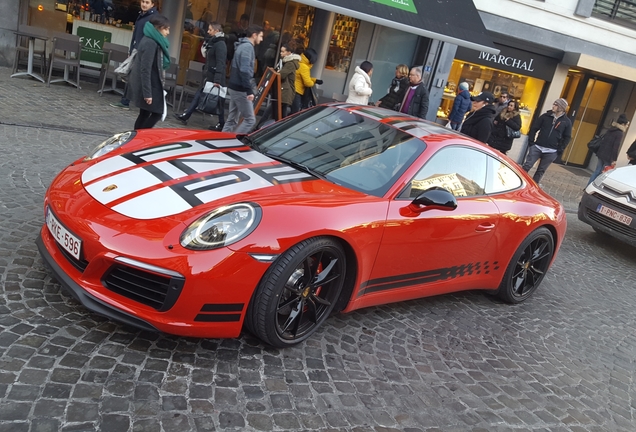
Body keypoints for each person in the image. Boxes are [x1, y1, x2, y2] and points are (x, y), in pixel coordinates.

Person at [173, 22, 227, 130]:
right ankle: (186, 115)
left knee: (218, 100)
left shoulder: (220, 45)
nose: (208, 31)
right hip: (209, 75)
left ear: (217, 31)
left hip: (214, 77)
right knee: (201, 95)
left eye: (210, 30)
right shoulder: (213, 42)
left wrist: (217, 79)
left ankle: (222, 123)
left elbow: (220, 63)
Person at [125, 14, 171, 130]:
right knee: (156, 113)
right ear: (158, 28)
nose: (168, 32)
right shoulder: (151, 43)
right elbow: (145, 69)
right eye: (166, 29)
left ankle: (136, 138)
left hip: (151, 84)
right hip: (149, 85)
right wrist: (147, 93)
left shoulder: (153, 40)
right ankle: (139, 138)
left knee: (144, 114)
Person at [110, 0, 157, 110]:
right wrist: (131, 51)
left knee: (139, 76)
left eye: (147, 2)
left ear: (153, 4)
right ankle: (127, 101)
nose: (144, 4)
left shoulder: (153, 18)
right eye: (143, 1)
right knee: (133, 75)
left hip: (143, 51)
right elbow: (135, 35)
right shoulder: (141, 15)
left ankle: (131, 101)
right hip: (137, 50)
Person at [222, 25, 263, 134]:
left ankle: (221, 141)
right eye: (261, 36)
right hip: (240, 89)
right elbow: (244, 71)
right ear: (254, 35)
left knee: (232, 120)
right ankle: (233, 142)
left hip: (235, 86)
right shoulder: (247, 48)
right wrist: (249, 90)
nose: (261, 39)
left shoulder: (242, 46)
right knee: (250, 120)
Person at [521, 98, 573, 184]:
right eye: (554, 104)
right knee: (527, 166)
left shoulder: (566, 122)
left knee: (541, 170)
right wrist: (531, 142)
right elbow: (534, 128)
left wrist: (560, 149)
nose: (553, 106)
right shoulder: (545, 116)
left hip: (551, 151)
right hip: (537, 147)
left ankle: (533, 187)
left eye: (556, 105)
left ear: (562, 108)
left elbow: (567, 137)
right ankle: (519, 182)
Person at [587, 113, 629, 185]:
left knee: (597, 170)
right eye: (627, 124)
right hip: (608, 156)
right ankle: (595, 186)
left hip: (601, 153)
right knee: (604, 173)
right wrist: (614, 159)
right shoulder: (619, 133)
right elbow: (615, 147)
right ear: (623, 124)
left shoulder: (611, 129)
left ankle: (588, 186)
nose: (627, 126)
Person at [291, 48, 322, 113]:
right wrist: (313, 83)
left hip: (292, 88)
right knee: (295, 112)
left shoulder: (300, 62)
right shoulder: (304, 67)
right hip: (297, 91)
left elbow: (303, 77)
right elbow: (307, 83)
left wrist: (315, 80)